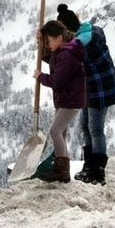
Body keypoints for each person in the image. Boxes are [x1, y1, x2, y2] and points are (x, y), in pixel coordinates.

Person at [56, 4, 115, 185]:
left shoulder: (82, 43)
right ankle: (89, 166)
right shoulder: (87, 34)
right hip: (90, 89)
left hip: (100, 89)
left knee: (95, 129)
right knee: (85, 127)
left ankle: (97, 171)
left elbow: (64, 59)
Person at [33, 20, 86, 183]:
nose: (48, 45)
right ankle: (59, 167)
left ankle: (62, 169)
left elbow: (57, 81)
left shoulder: (68, 54)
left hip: (70, 100)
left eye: (48, 41)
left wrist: (41, 77)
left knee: (56, 131)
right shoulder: (64, 49)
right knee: (60, 132)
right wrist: (40, 42)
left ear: (59, 37)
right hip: (66, 98)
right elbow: (52, 58)